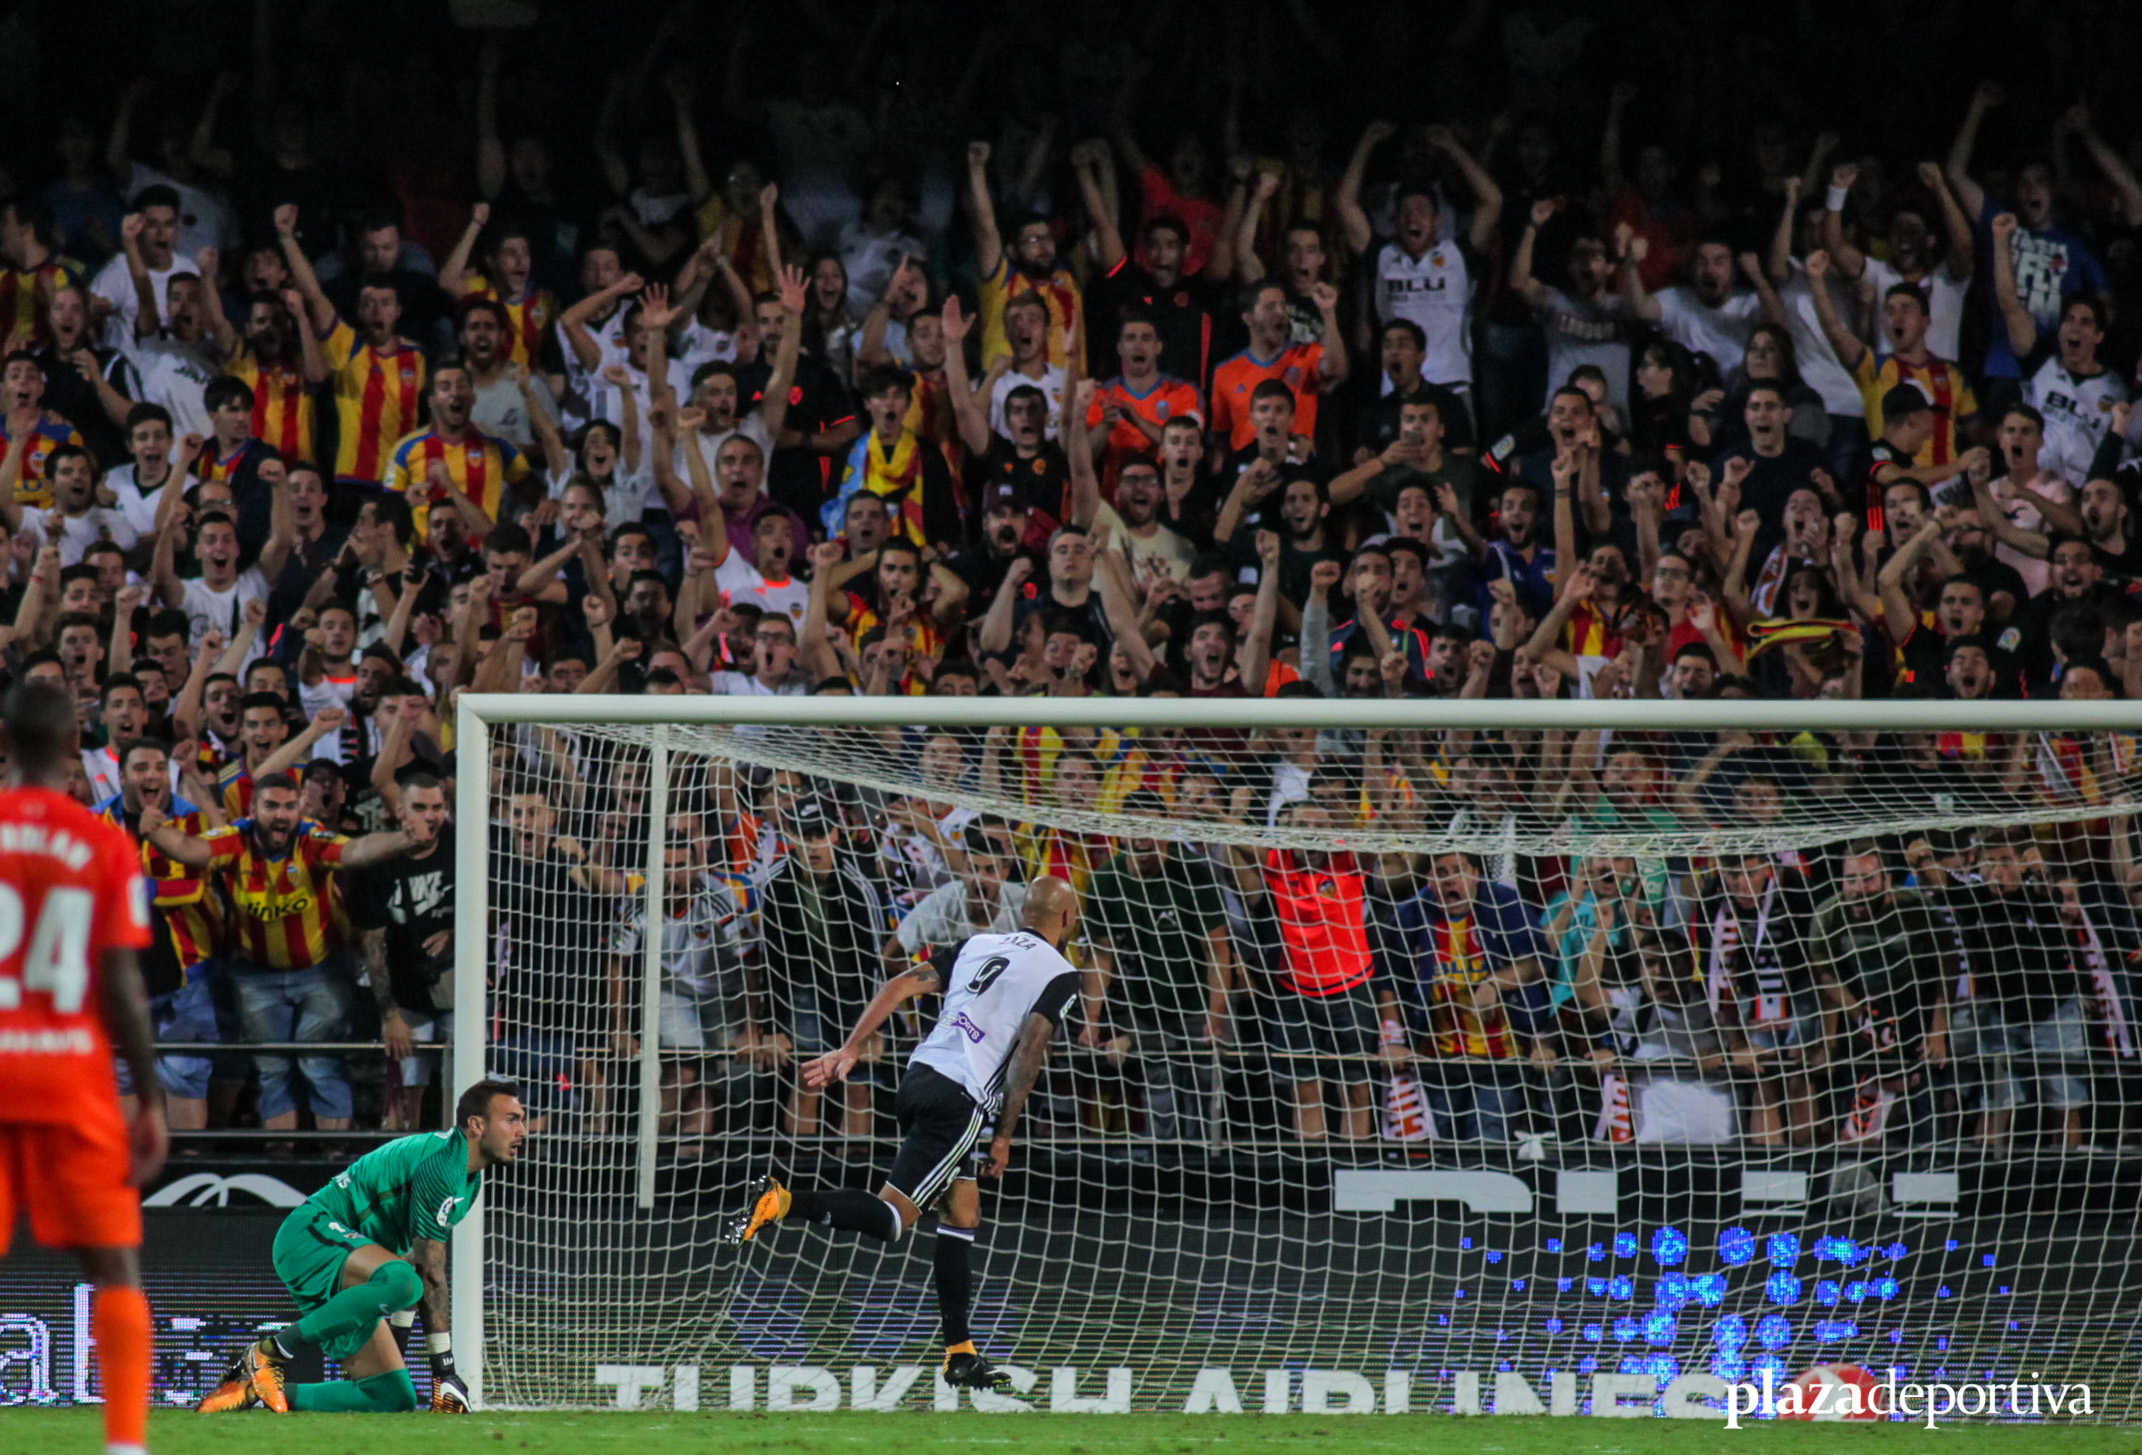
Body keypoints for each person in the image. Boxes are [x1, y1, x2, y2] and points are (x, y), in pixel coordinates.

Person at [728, 875, 1084, 1396]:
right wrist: (1003, 1134)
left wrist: (849, 1049)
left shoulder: (979, 944)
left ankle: (960, 1355)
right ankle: (784, 1202)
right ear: (1068, 920)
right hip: (960, 1101)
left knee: (962, 1212)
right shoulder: (1063, 975)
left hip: (918, 1077)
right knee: (893, 1219)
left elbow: (898, 984)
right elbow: (1029, 1052)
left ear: (1023, 910)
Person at [0, 680, 164, 1455]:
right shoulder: (102, 843)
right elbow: (122, 985)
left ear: (5, 741)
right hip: (71, 1075)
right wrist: (153, 1096)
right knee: (113, 1264)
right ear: (75, 748)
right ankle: (124, 1445)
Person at [195, 1078, 526, 1415]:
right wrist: (444, 1371)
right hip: (311, 1234)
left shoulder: (468, 1181)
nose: (522, 1131)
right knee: (406, 1282)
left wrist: (397, 1347)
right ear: (476, 1125)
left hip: (355, 1267)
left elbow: (411, 1262)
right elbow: (428, 1270)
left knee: (392, 1397)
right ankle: (266, 1353)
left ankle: (254, 1391)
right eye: (512, 1119)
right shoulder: (443, 1164)